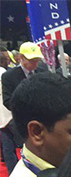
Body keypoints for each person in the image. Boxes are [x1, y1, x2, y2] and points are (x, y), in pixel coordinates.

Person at [1, 42, 45, 170]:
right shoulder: (9, 76)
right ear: (21, 57)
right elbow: (7, 100)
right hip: (21, 120)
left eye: (37, 60)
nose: (34, 64)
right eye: (32, 61)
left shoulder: (42, 72)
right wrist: (27, 108)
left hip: (43, 119)